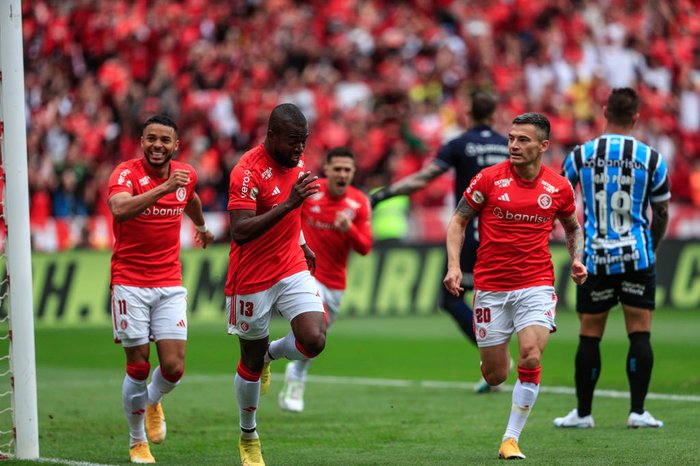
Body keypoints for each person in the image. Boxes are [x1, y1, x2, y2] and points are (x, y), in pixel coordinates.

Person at [443, 112, 588, 460]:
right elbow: (459, 220)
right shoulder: (488, 179)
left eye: (522, 140)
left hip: (536, 283)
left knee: (531, 355)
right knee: (495, 376)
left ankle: (511, 438)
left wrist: (578, 258)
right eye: (511, 138)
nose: (513, 145)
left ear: (543, 145)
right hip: (490, 287)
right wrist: (453, 267)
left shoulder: (558, 187)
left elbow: (572, 227)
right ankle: (496, 361)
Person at [370, 90, 510, 392]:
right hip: (505, 235)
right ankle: (497, 363)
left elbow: (424, 178)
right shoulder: (508, 146)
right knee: (496, 298)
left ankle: (496, 358)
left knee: (450, 298)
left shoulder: (459, 144)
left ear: (469, 114)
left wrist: (384, 194)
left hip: (471, 235)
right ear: (494, 114)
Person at [554, 87, 670, 430]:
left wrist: (574, 245)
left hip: (595, 258)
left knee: (590, 334)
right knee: (640, 332)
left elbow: (561, 201)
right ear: (635, 117)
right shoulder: (651, 157)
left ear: (604, 111)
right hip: (637, 254)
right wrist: (654, 245)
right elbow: (661, 211)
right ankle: (637, 412)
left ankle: (584, 414)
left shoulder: (580, 155)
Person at [107, 114, 215, 463]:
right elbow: (119, 209)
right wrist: (163, 189)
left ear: (176, 145)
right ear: (142, 141)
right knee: (137, 367)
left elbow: (191, 198)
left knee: (174, 368)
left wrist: (201, 225)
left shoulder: (186, 176)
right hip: (130, 283)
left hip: (169, 282)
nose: (157, 145)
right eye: (151, 139)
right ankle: (137, 440)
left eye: (165, 140)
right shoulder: (126, 173)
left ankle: (153, 400)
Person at [226, 103, 327, 466]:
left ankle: (273, 354)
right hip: (251, 275)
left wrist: (301, 243)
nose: (300, 150)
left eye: (304, 142)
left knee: (314, 339)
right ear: (272, 136)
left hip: (290, 264)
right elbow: (239, 232)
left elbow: (293, 212)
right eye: (293, 142)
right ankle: (248, 434)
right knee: (248, 362)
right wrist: (288, 205)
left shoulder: (296, 165)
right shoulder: (246, 172)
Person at [278, 146, 373, 412]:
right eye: (337, 169)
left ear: (353, 172)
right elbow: (289, 217)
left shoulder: (359, 202)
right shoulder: (310, 191)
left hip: (335, 285)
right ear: (327, 170)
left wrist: (350, 229)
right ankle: (282, 367)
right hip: (305, 275)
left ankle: (295, 373)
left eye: (347, 170)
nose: (342, 174)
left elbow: (365, 247)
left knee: (316, 340)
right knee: (313, 329)